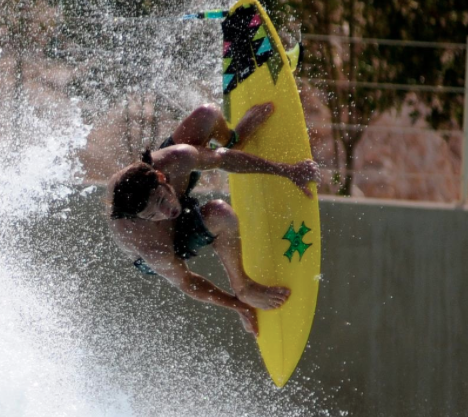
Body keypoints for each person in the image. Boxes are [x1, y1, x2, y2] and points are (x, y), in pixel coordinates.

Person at [106, 103, 320, 336]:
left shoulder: (176, 159)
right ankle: (244, 287)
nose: (165, 212)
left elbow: (221, 159)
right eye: (151, 215)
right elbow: (187, 282)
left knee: (206, 114)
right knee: (221, 213)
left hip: (167, 181)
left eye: (161, 200)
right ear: (140, 217)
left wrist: (288, 171)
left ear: (160, 176)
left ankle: (235, 138)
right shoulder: (152, 248)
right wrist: (238, 305)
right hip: (168, 243)